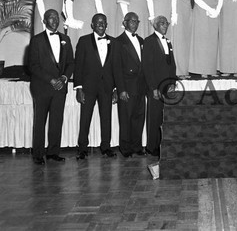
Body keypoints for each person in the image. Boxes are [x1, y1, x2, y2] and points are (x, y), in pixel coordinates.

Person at [29, 9, 74, 164]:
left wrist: (64, 77)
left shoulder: (66, 39)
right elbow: (33, 66)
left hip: (60, 87)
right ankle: (38, 154)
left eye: (56, 18)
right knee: (40, 121)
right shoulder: (36, 40)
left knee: (56, 121)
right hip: (42, 87)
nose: (55, 20)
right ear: (44, 21)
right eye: (51, 18)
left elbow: (70, 63)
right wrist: (51, 80)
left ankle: (53, 152)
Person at [74, 13, 118, 160]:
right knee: (85, 118)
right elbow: (78, 66)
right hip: (88, 87)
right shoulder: (84, 40)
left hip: (107, 87)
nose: (101, 24)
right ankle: (82, 148)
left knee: (106, 118)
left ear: (107, 25)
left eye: (103, 22)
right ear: (92, 25)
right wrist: (79, 88)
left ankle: (106, 146)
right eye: (98, 22)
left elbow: (116, 68)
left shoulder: (114, 42)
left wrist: (116, 88)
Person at [113, 12, 146, 158]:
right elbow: (116, 68)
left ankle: (137, 146)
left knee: (139, 117)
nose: (134, 23)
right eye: (131, 21)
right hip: (127, 86)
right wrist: (120, 89)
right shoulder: (118, 41)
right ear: (124, 23)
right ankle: (125, 148)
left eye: (136, 21)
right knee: (126, 118)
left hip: (140, 86)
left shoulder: (141, 40)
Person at [142, 16, 176, 158]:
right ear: (155, 25)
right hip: (155, 87)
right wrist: (153, 88)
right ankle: (152, 147)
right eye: (162, 23)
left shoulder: (168, 41)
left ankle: (163, 145)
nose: (165, 26)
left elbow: (171, 64)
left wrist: (173, 83)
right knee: (154, 117)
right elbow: (147, 67)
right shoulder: (149, 41)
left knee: (165, 117)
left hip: (167, 87)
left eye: (166, 23)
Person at [189, 0, 223, 77]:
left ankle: (211, 70)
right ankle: (202, 70)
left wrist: (216, 11)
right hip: (201, 15)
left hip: (214, 16)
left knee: (212, 42)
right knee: (202, 42)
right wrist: (210, 10)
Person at [170, 0, 193, 78]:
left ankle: (185, 70)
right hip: (178, 11)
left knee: (186, 41)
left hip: (188, 12)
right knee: (178, 41)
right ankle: (178, 71)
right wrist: (174, 13)